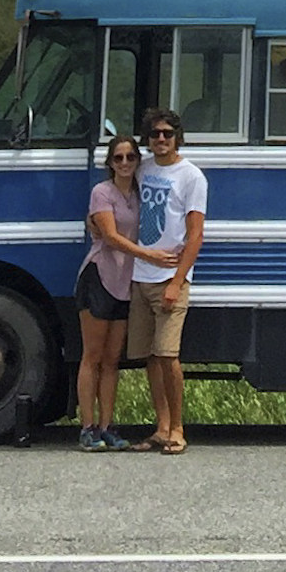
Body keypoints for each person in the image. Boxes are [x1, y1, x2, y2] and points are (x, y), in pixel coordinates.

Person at [76, 129, 175, 451]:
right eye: (118, 158)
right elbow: (109, 236)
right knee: (92, 356)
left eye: (131, 157)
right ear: (110, 162)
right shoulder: (101, 193)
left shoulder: (139, 192)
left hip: (124, 283)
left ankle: (107, 426)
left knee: (112, 359)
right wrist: (150, 256)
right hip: (99, 277)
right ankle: (87, 427)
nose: (125, 163)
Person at [127, 106, 206, 454]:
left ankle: (178, 427)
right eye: (155, 134)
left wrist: (177, 281)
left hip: (170, 278)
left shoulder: (191, 177)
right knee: (151, 357)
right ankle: (160, 426)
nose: (161, 139)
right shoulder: (142, 170)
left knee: (168, 354)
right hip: (140, 276)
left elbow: (195, 234)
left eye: (167, 134)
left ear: (178, 138)